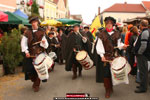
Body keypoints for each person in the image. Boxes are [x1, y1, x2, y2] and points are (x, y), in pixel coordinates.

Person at [96, 16, 127, 98]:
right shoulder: (101, 34)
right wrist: (102, 55)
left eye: (110, 23)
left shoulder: (117, 33)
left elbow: (119, 44)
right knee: (106, 74)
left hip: (114, 56)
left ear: (113, 24)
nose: (108, 25)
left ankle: (111, 87)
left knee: (113, 73)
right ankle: (107, 90)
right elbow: (99, 46)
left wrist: (123, 46)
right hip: (106, 57)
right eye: (107, 23)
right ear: (105, 24)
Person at [21, 16, 49, 92]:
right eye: (32, 23)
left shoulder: (42, 32)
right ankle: (34, 81)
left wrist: (43, 43)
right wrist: (26, 52)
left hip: (39, 54)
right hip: (30, 54)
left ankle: (37, 85)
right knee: (29, 70)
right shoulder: (27, 32)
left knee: (38, 70)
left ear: (37, 23)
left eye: (35, 22)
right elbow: (23, 43)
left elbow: (46, 45)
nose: (33, 24)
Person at [134, 20, 150, 93]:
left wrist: (139, 53)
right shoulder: (146, 31)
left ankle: (143, 88)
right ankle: (142, 85)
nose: (139, 26)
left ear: (141, 25)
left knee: (143, 71)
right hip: (143, 55)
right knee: (142, 71)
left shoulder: (145, 32)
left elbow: (143, 45)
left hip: (142, 55)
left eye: (139, 25)